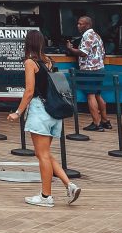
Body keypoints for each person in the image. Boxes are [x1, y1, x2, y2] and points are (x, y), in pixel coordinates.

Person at [8, 30, 80, 207]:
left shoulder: (30, 62)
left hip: (40, 110)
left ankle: (46, 196)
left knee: (42, 156)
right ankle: (69, 185)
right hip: (54, 112)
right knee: (46, 154)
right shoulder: (48, 61)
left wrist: (18, 112)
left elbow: (30, 91)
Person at [66, 16, 110, 131]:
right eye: (78, 23)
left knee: (91, 96)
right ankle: (105, 121)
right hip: (99, 69)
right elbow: (103, 54)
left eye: (81, 24)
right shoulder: (97, 35)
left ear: (88, 25)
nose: (78, 26)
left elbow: (82, 53)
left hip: (90, 70)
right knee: (97, 95)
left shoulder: (88, 36)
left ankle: (96, 124)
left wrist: (70, 49)